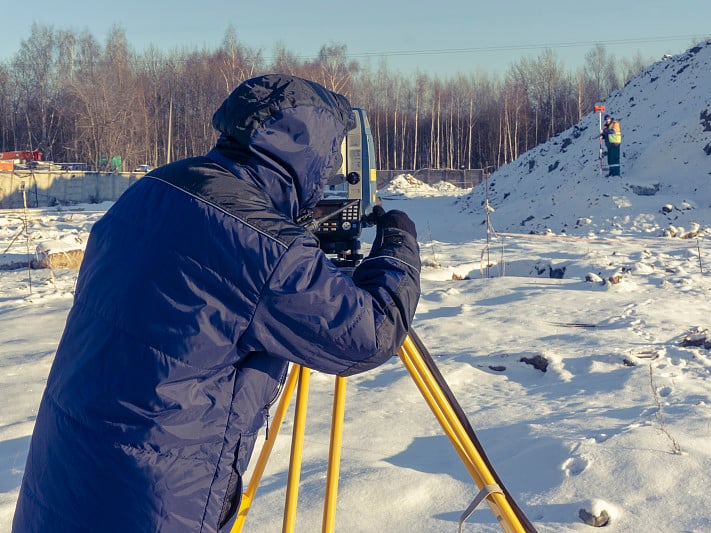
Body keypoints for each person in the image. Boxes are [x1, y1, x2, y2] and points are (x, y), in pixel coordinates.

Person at [13, 74, 421, 532]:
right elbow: (368, 333)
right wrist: (398, 245)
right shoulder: (266, 246)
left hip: (62, 478)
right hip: (155, 502)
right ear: (311, 155)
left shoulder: (154, 188)